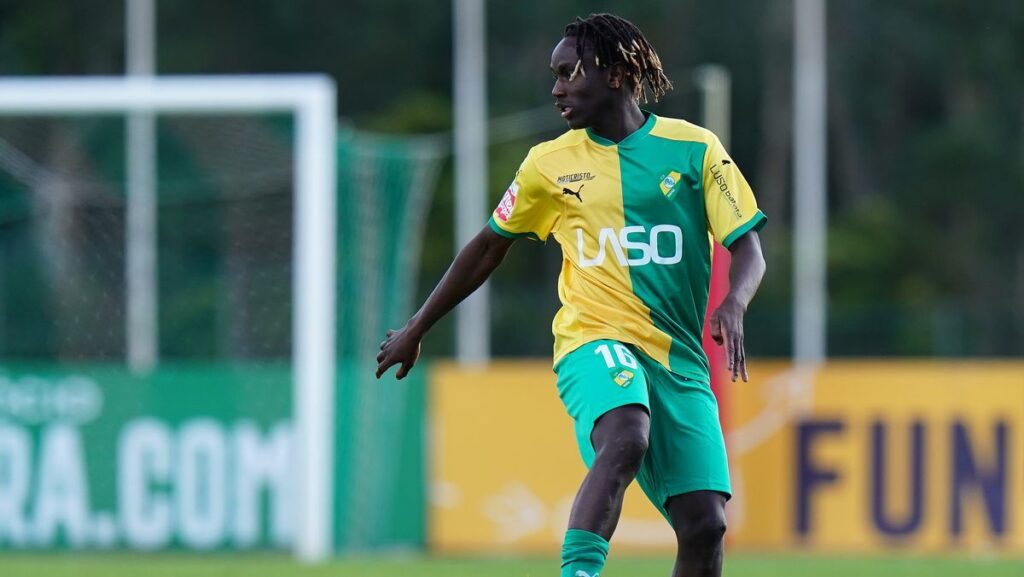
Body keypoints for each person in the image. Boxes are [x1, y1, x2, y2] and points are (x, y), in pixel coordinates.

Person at [377, 12, 766, 577]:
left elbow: (748, 245)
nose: (556, 87)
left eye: (568, 73)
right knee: (627, 434)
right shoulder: (548, 164)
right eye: (554, 75)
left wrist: (735, 299)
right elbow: (488, 246)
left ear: (616, 72)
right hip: (593, 339)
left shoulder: (695, 149)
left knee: (706, 526)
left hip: (679, 361)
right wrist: (417, 327)